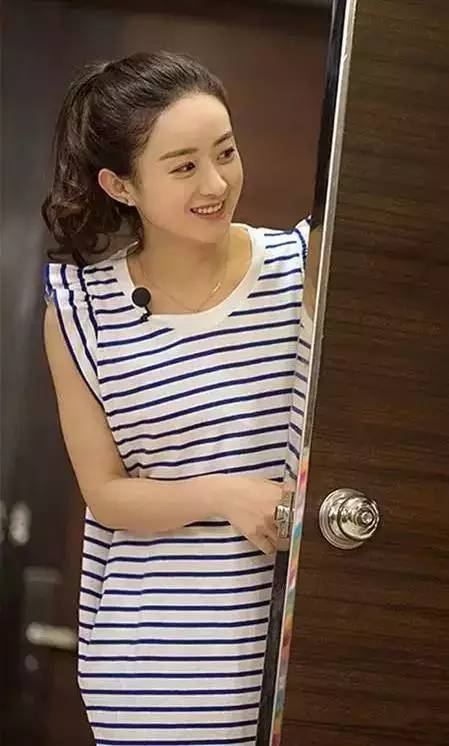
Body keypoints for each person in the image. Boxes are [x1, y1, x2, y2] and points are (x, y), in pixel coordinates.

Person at [42, 49, 310, 746]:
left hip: (300, 646)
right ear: (120, 185)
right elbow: (105, 493)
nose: (216, 183)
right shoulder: (80, 310)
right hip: (155, 666)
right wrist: (226, 494)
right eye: (183, 166)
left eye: (225, 152)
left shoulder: (306, 267)